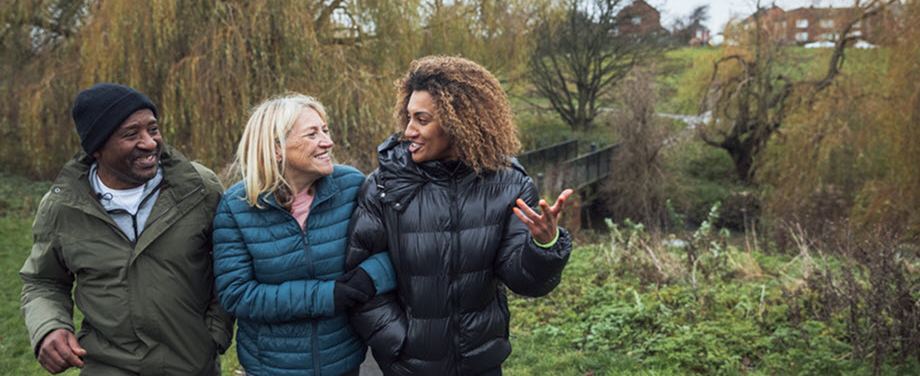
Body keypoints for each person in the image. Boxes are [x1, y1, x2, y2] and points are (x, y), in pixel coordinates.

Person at [346, 56, 574, 376]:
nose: (408, 130)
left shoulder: (510, 184)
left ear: (460, 122)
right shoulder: (384, 186)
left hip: (481, 363)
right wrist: (398, 343)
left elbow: (525, 281)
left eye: (422, 120)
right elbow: (360, 283)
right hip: (408, 367)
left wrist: (545, 246)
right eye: (408, 117)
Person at [20, 83, 235, 375]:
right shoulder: (63, 207)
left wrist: (215, 333)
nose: (149, 143)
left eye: (153, 129)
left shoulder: (199, 188)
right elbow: (43, 280)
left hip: (193, 364)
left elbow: (232, 260)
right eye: (131, 134)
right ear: (97, 147)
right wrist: (49, 327)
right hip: (106, 366)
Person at [212, 93, 396, 376]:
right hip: (271, 366)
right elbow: (237, 294)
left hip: (343, 360)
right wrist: (325, 296)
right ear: (276, 148)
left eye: (325, 130)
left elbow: (392, 249)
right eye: (312, 134)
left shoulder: (352, 186)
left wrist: (370, 277)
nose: (328, 141)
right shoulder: (237, 206)